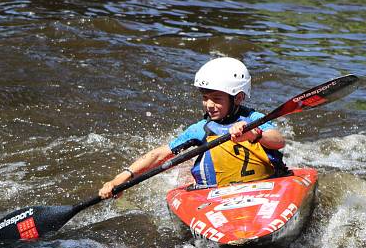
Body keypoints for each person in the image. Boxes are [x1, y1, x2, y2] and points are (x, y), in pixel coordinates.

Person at [99, 57, 287, 199]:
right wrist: (121, 179)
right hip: (217, 196)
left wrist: (253, 133)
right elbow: (159, 154)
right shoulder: (201, 129)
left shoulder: (254, 119)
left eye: (217, 99)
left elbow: (278, 141)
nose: (209, 105)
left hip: (264, 188)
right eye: (205, 98)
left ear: (238, 98)